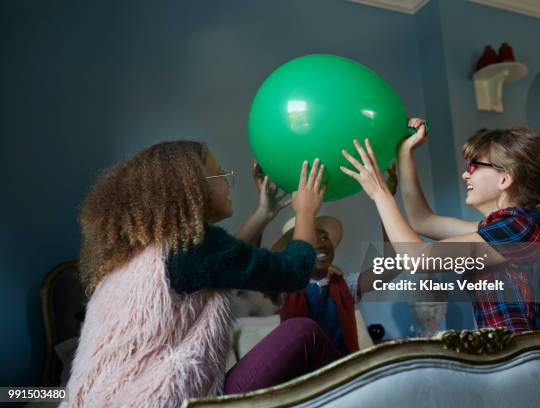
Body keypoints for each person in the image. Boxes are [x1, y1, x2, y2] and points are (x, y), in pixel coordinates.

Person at [63, 141, 341, 407]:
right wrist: (305, 213)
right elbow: (293, 272)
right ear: (193, 187)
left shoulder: (139, 254)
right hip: (163, 402)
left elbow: (220, 265)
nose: (229, 181)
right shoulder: (192, 249)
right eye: (220, 174)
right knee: (304, 332)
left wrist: (264, 212)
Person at [340, 119, 540, 332]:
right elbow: (422, 220)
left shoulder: (519, 228)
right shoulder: (509, 227)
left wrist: (380, 193)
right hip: (513, 358)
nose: (466, 174)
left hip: (522, 360)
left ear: (504, 179)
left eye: (474, 166)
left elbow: (418, 258)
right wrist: (405, 152)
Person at [271, 215, 359, 356]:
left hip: (347, 371)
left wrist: (384, 205)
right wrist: (263, 214)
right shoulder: (283, 290)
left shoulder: (346, 284)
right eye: (309, 241)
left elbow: (390, 267)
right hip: (306, 375)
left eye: (324, 237)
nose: (320, 244)